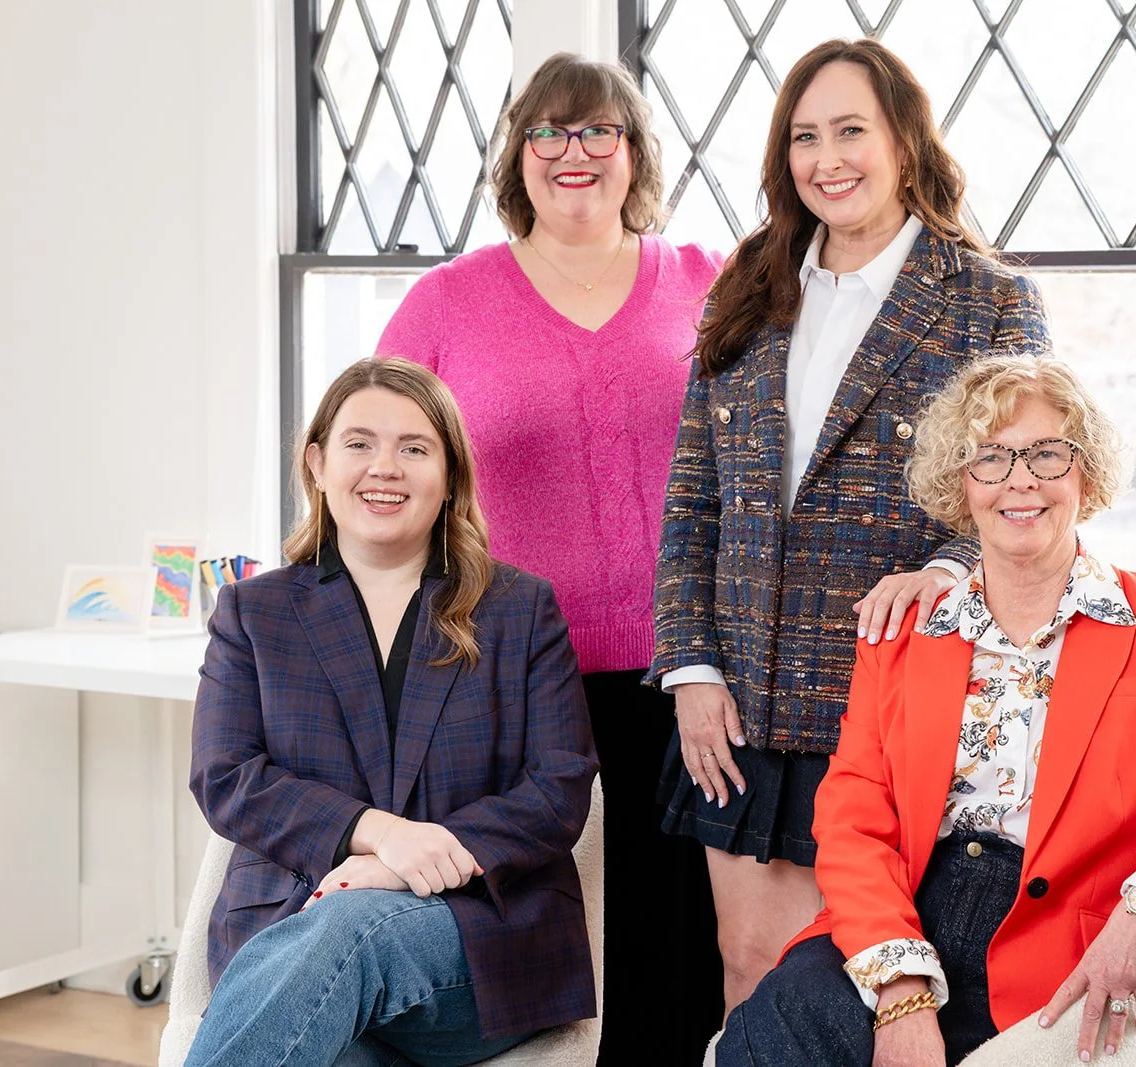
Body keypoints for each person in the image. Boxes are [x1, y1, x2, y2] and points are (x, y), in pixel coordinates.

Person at [717, 355, 1136, 1065]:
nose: (1021, 479)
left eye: (1048, 453)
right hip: (900, 916)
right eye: (990, 456)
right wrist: (901, 987)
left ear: (1086, 471)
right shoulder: (902, 637)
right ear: (962, 483)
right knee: (771, 1042)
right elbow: (852, 816)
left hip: (1056, 948)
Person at [649, 37, 1050, 1017]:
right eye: (803, 137)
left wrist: (951, 565)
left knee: (853, 987)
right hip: (737, 706)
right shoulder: (751, 282)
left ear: (905, 143)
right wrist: (691, 671)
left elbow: (1029, 489)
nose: (826, 158)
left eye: (850, 131)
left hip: (889, 700)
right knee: (746, 966)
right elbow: (693, 499)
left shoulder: (990, 300)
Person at [376, 52, 725, 1064]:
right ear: (516, 155)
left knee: (678, 936)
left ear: (634, 153)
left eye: (598, 132)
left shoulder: (707, 278)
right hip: (508, 668)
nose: (574, 153)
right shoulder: (447, 301)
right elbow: (375, 459)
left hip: (686, 671)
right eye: (549, 133)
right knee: (525, 925)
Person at [185, 357, 598, 1067]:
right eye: (359, 443)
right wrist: (376, 833)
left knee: (350, 933)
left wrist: (400, 868)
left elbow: (557, 791)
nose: (386, 467)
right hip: (291, 928)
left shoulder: (520, 610)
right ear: (317, 462)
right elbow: (226, 775)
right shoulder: (254, 612)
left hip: (475, 943)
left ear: (449, 477)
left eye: (414, 448)